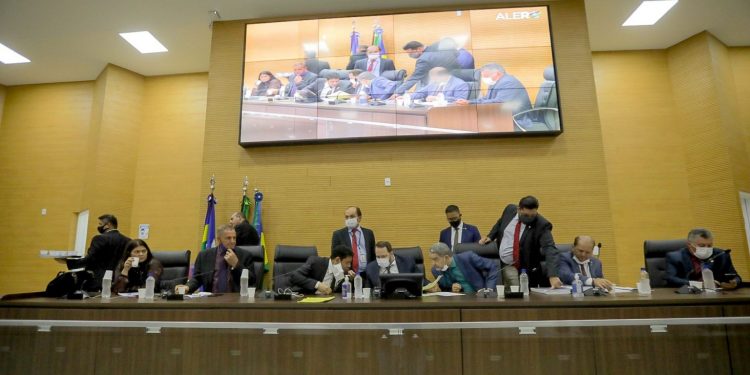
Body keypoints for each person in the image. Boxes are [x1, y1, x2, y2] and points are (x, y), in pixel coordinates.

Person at [479, 196, 562, 288]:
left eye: (533, 216)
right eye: (526, 215)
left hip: (526, 266)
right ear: (519, 209)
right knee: (513, 291)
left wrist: (553, 275)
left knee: (519, 293)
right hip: (506, 262)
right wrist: (491, 236)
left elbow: (550, 248)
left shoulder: (542, 225)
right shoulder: (509, 210)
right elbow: (501, 222)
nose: (529, 218)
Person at [176, 224, 256, 294]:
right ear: (219, 240)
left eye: (234, 238)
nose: (232, 241)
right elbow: (197, 278)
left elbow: (252, 281)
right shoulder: (204, 256)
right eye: (228, 238)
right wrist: (188, 287)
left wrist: (236, 264)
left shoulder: (245, 255)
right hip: (212, 300)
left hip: (236, 301)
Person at [62, 214, 131, 291]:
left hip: (98, 281)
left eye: (100, 224)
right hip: (118, 280)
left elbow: (90, 259)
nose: (99, 226)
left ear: (108, 225)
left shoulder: (99, 238)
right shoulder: (128, 240)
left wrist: (68, 262)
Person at [456, 63, 534, 129]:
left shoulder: (508, 82)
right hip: (504, 116)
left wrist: (471, 103)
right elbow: (486, 99)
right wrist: (469, 101)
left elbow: (498, 102)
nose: (484, 79)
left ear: (496, 73)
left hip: (517, 118)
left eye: (486, 76)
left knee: (477, 126)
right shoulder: (495, 82)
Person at [665, 228, 742, 289]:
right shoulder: (676, 257)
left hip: (719, 294)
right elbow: (671, 279)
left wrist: (735, 282)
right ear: (689, 245)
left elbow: (734, 276)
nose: (706, 248)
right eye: (702, 246)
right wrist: (699, 285)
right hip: (690, 295)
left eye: (709, 246)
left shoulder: (721, 255)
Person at [394, 40, 460, 95]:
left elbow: (414, 78)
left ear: (419, 49)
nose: (410, 56)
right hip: (455, 76)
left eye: (411, 53)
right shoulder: (435, 46)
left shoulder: (423, 59)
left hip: (440, 86)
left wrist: (397, 93)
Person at [429, 242, 498, 293]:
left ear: (446, 257)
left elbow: (492, 266)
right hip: (458, 302)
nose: (433, 263)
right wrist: (450, 289)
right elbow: (445, 289)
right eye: (431, 260)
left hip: (479, 297)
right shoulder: (435, 271)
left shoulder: (468, 257)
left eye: (435, 259)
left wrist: (489, 289)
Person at [289, 244, 355, 295]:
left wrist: (351, 281)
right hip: (306, 301)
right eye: (347, 263)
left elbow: (341, 294)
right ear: (337, 260)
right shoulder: (315, 262)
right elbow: (294, 276)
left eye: (350, 263)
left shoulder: (343, 273)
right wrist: (317, 285)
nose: (349, 266)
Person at [331, 206, 376, 276]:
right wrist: (345, 271)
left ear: (359, 218)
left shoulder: (369, 233)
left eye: (352, 217)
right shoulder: (338, 234)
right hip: (347, 274)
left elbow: (373, 255)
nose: (349, 219)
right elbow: (334, 259)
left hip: (367, 275)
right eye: (346, 217)